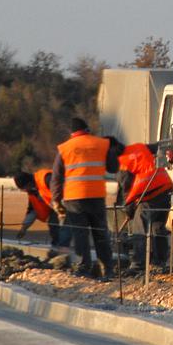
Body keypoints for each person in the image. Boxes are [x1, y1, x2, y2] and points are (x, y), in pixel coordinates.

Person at [51, 117, 120, 279]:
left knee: (80, 234)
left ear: (72, 133)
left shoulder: (65, 148)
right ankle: (108, 269)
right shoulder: (102, 144)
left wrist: (56, 199)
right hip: (96, 196)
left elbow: (56, 177)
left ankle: (84, 268)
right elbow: (114, 167)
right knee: (101, 233)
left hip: (74, 198)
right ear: (87, 129)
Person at [117, 142, 173, 273]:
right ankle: (160, 262)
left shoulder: (123, 162)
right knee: (157, 226)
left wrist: (128, 210)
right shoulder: (138, 147)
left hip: (151, 192)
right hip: (165, 187)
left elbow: (127, 192)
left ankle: (138, 264)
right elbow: (157, 147)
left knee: (139, 227)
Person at [12, 167, 71, 252]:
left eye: (23, 189)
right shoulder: (33, 192)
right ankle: (56, 247)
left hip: (69, 203)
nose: (24, 191)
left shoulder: (45, 178)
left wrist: (62, 206)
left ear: (28, 184)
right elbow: (33, 210)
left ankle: (63, 250)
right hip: (57, 209)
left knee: (65, 227)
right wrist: (24, 228)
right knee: (53, 223)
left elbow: (62, 188)